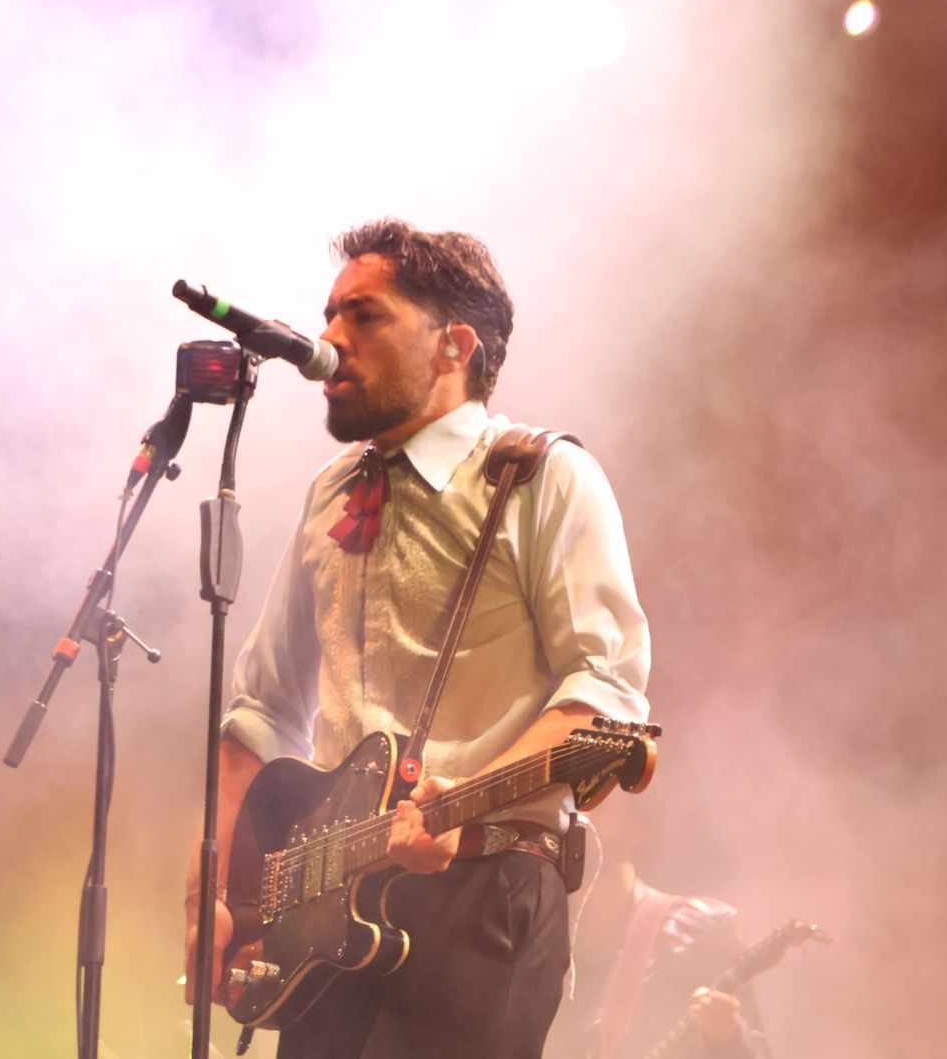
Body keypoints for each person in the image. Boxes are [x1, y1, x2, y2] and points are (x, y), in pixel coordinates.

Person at [183, 218, 651, 1059]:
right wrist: (212, 886)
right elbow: (259, 708)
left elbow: (603, 690)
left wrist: (460, 795)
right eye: (329, 314)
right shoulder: (332, 491)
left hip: (484, 888)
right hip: (326, 915)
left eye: (365, 316)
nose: (328, 338)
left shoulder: (544, 477)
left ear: (453, 345)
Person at [544, 801, 771, 1059]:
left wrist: (728, 1037)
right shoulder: (527, 935)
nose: (581, 817)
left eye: (601, 804)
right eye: (572, 805)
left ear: (636, 830)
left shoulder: (698, 930)